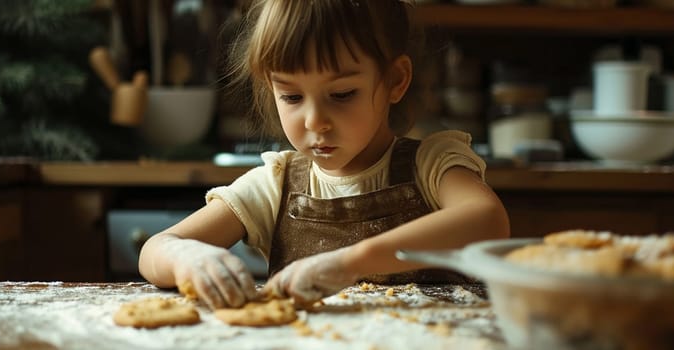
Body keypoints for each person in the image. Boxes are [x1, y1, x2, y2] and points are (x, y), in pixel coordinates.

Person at [138, 0, 510, 309]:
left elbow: (486, 221)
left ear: (396, 80)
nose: (316, 122)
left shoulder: (432, 164)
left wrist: (351, 263)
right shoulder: (276, 184)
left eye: (342, 94)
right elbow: (156, 249)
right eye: (292, 97)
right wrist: (189, 259)